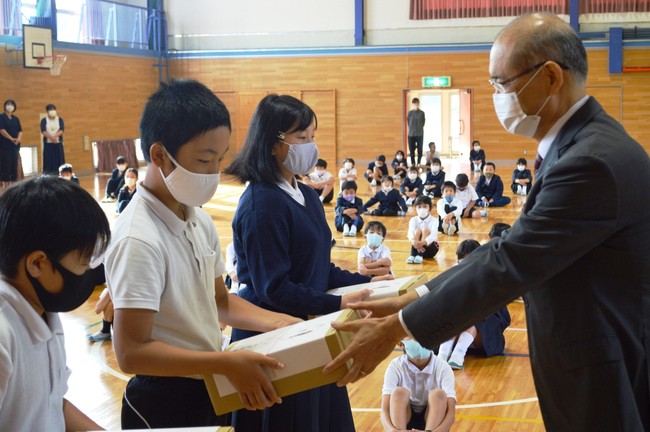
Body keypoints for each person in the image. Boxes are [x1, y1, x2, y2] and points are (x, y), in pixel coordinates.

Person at [324, 13, 650, 431]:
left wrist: (397, 330)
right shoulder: (581, 146)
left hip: (607, 366)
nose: (496, 95)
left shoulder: (589, 161)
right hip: (596, 355)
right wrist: (412, 298)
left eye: (502, 83)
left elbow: (510, 263)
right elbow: (508, 247)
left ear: (550, 77)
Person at [105, 80, 302, 429]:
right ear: (159, 156)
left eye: (220, 159)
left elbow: (220, 302)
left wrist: (283, 323)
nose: (213, 173)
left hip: (207, 382)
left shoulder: (198, 218)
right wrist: (223, 363)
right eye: (203, 160)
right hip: (164, 396)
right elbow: (131, 352)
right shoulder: (139, 238)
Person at [225, 93, 379, 432]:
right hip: (272, 334)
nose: (311, 147)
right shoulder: (261, 205)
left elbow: (317, 268)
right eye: (302, 138)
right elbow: (274, 287)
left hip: (310, 328)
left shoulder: (306, 194)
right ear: (273, 143)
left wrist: (367, 285)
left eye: (312, 137)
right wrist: (337, 302)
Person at [0, 176, 111, 431]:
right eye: (84, 264)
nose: (89, 274)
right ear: (38, 263)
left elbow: (50, 403)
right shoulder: (4, 333)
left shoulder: (43, 311)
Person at [438, 239, 511, 370]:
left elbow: (503, 319)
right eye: (463, 261)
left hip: (483, 336)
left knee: (474, 317)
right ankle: (443, 354)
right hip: (453, 330)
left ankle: (458, 355)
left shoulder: (491, 279)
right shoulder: (450, 277)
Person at [381, 339, 456, 432]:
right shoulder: (395, 366)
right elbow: (385, 410)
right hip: (405, 417)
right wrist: (392, 430)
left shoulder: (443, 367)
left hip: (434, 422)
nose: (418, 340)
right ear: (400, 344)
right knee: (398, 392)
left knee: (439, 394)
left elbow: (451, 413)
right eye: (411, 337)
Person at [406, 195, 439, 264]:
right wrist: (413, 242)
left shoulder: (434, 220)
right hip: (416, 247)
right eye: (419, 207)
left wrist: (422, 243)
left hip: (430, 249)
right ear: (415, 208)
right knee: (417, 231)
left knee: (425, 230)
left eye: (425, 207)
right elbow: (410, 233)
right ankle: (413, 255)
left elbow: (433, 236)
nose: (422, 209)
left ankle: (419, 255)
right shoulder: (413, 220)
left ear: (430, 208)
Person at [0, 99, 22, 190]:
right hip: (4, 146)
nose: (10, 106)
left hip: (15, 146)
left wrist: (18, 139)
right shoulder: (1, 117)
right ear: (5, 106)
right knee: (6, 165)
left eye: (12, 104)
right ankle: (5, 187)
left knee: (14, 165)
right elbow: (1, 130)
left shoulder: (16, 119)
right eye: (8, 104)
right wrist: (11, 138)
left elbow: (20, 131)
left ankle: (13, 187)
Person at [41, 103, 65, 174]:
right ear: (47, 111)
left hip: (58, 144)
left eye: (53, 109)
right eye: (50, 109)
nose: (52, 111)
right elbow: (43, 130)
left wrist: (55, 137)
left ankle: (60, 176)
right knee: (49, 162)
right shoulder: (44, 120)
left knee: (59, 161)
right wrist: (51, 138)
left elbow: (61, 129)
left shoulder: (59, 119)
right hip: (48, 144)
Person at [407, 97, 426, 166]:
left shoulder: (422, 113)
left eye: (417, 103)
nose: (416, 105)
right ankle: (413, 163)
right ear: (412, 104)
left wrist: (419, 128)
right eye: (414, 103)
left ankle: (418, 163)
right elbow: (409, 122)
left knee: (419, 149)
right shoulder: (410, 113)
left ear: (419, 104)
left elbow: (423, 122)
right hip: (411, 134)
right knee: (411, 150)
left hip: (419, 134)